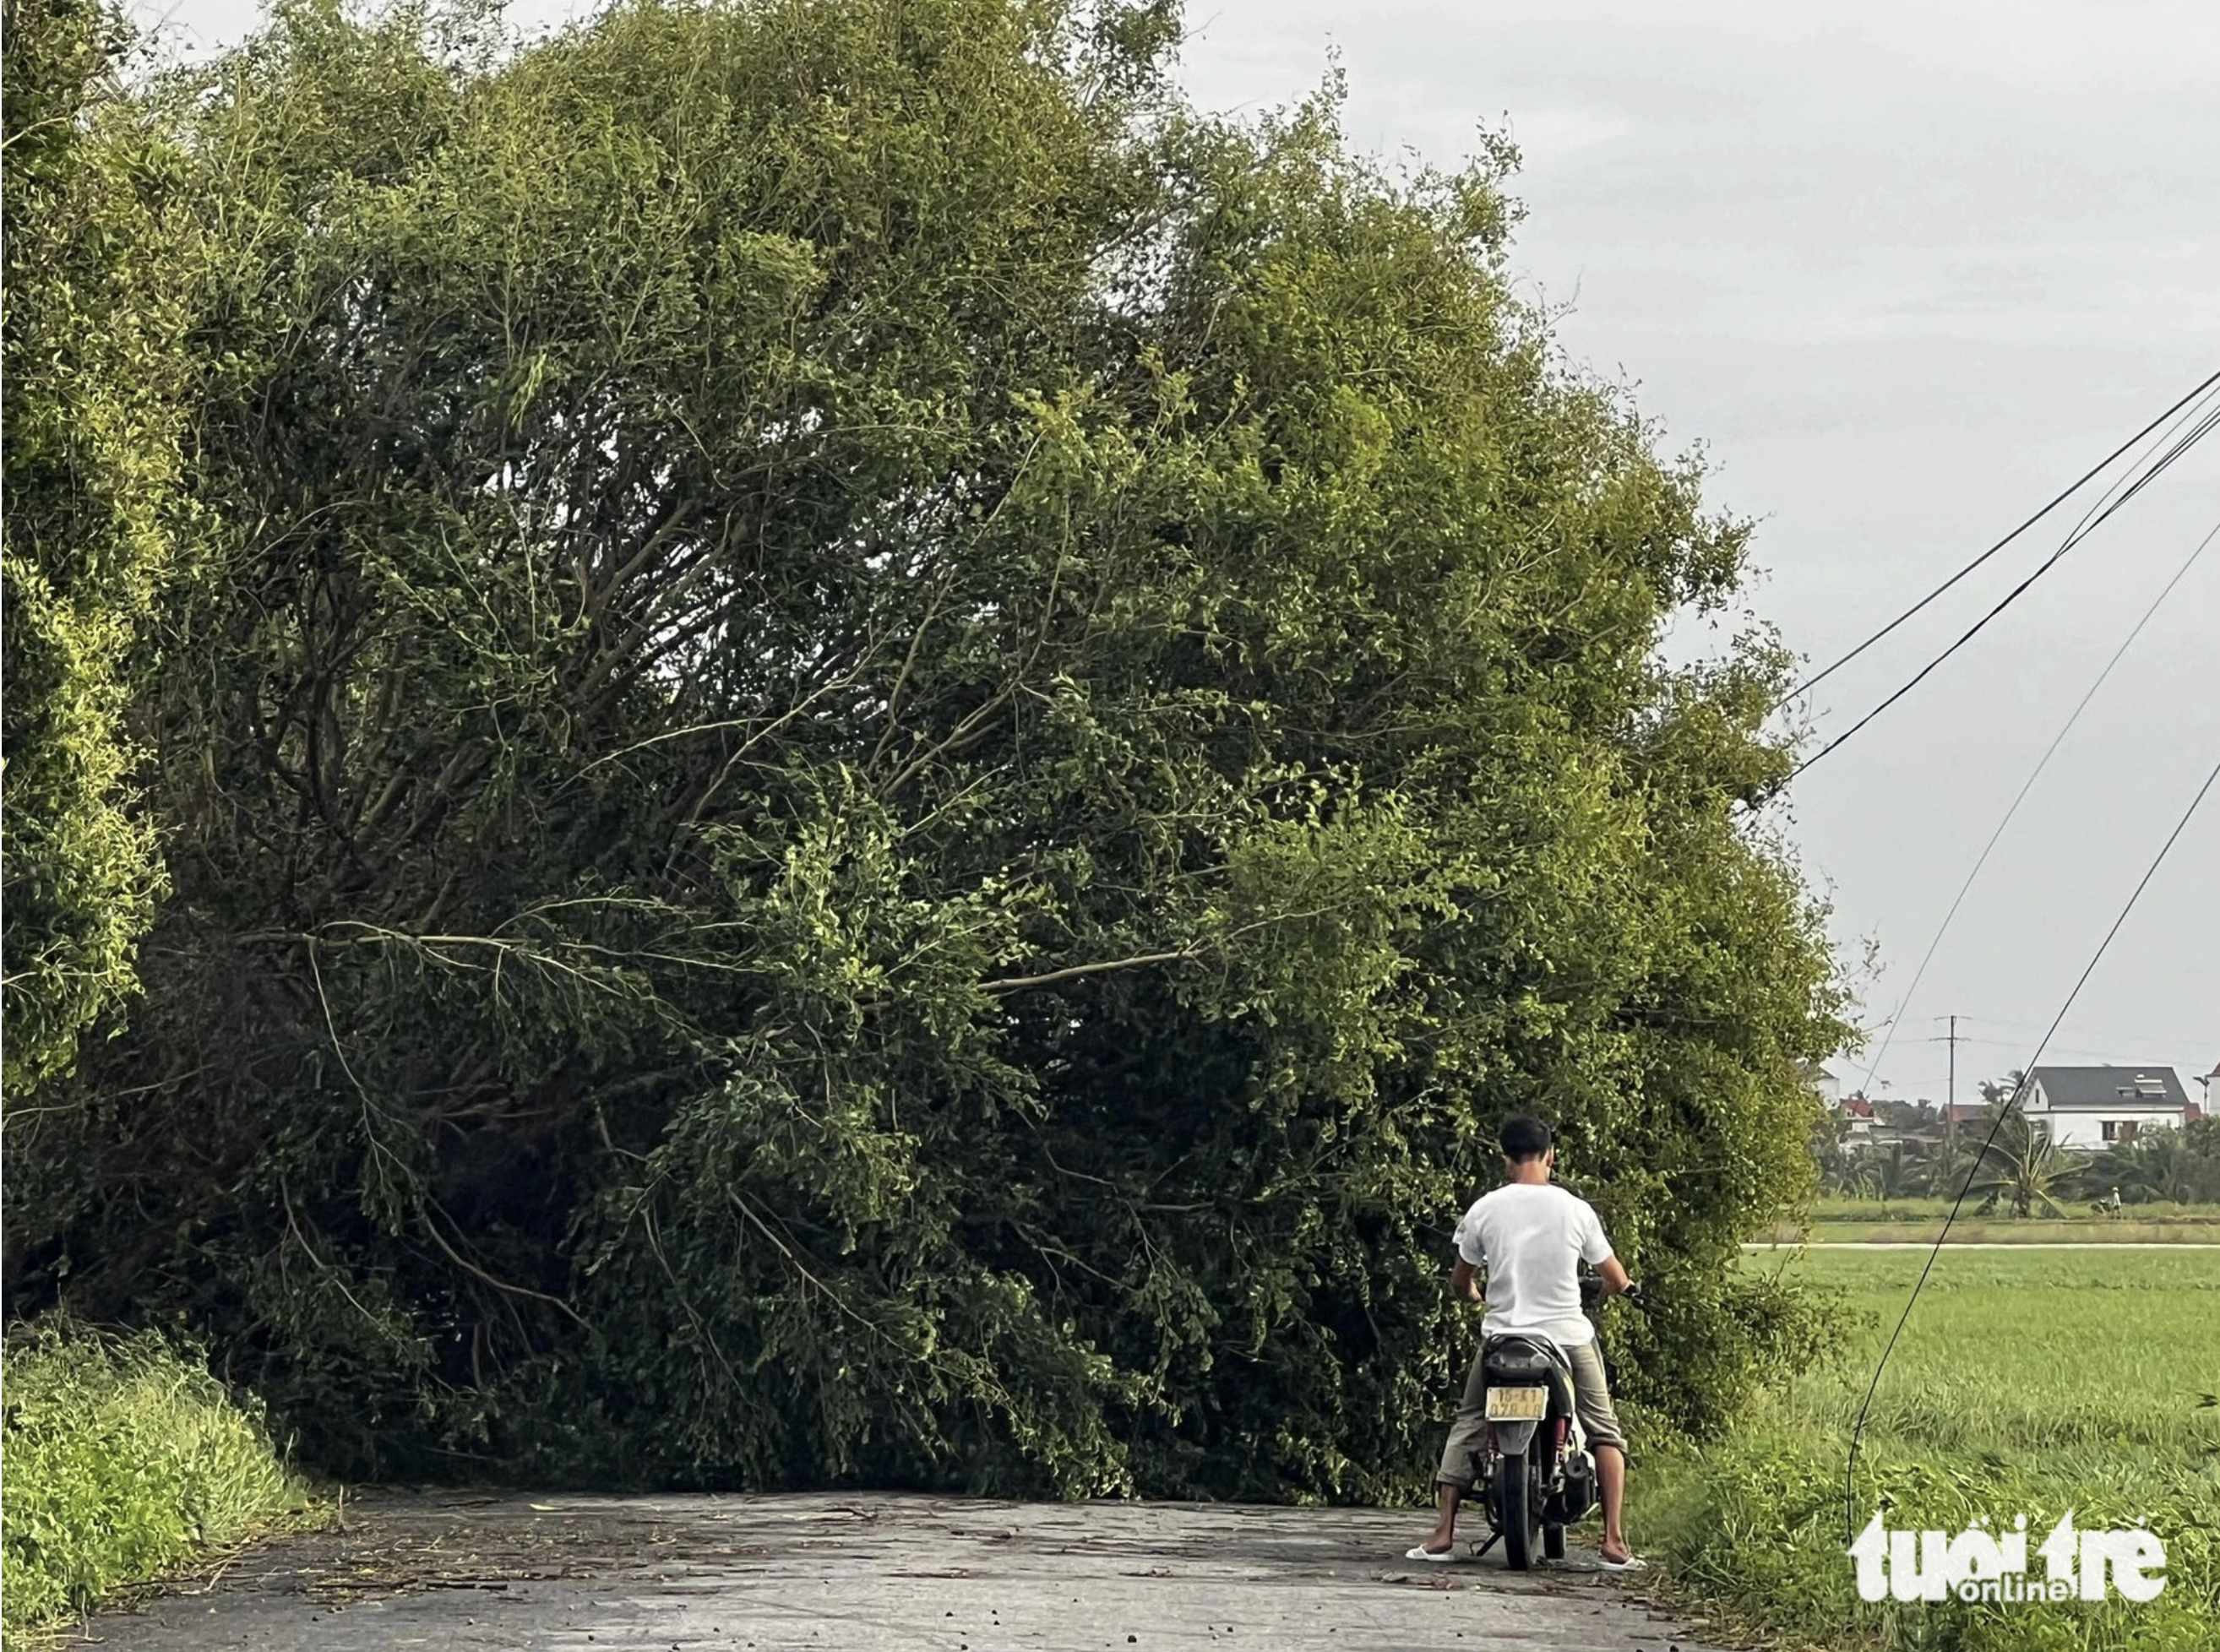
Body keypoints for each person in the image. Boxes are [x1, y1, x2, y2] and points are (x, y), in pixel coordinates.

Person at [1406, 1113, 1644, 1569]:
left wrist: (1477, 1296)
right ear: (1550, 1156)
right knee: (1603, 1430)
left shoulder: (1485, 1209)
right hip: (1566, 1338)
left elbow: (1461, 1281)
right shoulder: (1575, 1209)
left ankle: (1442, 1534)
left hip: (1503, 1338)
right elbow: (1614, 1278)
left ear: (1505, 1159)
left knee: (1470, 1421)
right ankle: (1614, 1542)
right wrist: (1623, 1289)